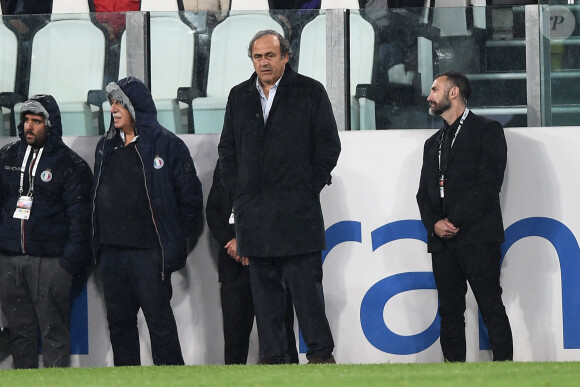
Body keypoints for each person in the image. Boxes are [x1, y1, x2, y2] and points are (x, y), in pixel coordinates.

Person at [218, 30, 341, 365]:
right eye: (258, 57)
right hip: (254, 217)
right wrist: (239, 191)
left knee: (308, 297)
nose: (264, 63)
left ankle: (320, 357)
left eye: (270, 56)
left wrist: (305, 188)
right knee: (266, 301)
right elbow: (227, 151)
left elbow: (328, 147)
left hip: (297, 215)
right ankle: (275, 361)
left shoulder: (310, 92)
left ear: (286, 56)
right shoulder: (239, 96)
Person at [92, 76, 203, 366]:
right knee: (119, 327)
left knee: (160, 326)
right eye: (112, 103)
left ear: (135, 106)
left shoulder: (168, 145)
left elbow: (190, 204)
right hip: (112, 255)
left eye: (120, 103)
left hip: (150, 255)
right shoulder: (105, 148)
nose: (114, 109)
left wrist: (171, 246)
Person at [416, 71, 513, 362]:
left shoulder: (487, 130)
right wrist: (435, 223)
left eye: (435, 90)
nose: (429, 96)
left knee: (490, 305)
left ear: (454, 92)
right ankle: (454, 373)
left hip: (478, 236)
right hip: (443, 241)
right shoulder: (432, 143)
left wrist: (454, 221)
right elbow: (423, 194)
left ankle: (506, 370)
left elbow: (489, 185)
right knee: (449, 311)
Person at [0, 94, 93, 368]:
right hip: (8, 261)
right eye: (26, 120)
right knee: (20, 334)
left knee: (54, 333)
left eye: (37, 121)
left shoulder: (71, 165)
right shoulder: (6, 157)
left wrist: (67, 265)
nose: (29, 126)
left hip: (51, 263)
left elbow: (81, 222)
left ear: (50, 125)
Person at [206, 161, 299, 365]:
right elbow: (212, 210)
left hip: (271, 265)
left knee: (281, 338)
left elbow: (281, 209)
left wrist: (249, 242)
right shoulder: (224, 165)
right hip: (233, 268)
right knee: (234, 342)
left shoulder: (276, 159)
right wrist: (230, 241)